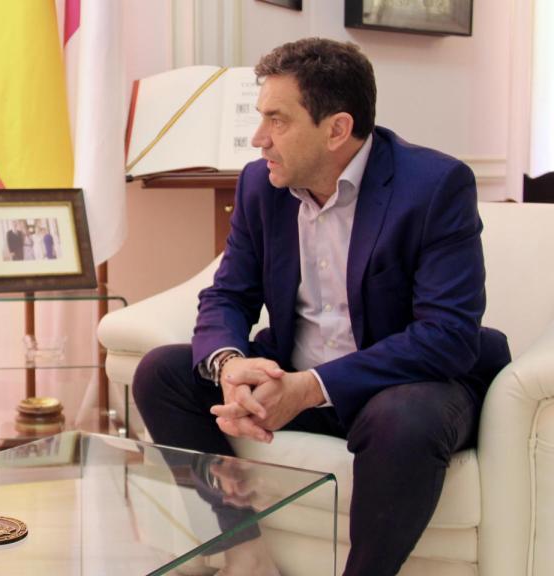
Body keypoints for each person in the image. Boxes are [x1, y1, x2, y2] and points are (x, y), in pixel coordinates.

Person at [132, 38, 510, 576]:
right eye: (260, 117)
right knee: (161, 372)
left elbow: (446, 336)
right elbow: (227, 294)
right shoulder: (262, 185)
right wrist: (231, 364)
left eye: (277, 121)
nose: (258, 138)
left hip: (397, 386)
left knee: (406, 417)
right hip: (293, 375)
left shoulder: (434, 186)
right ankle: (241, 551)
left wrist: (307, 387)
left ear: (336, 129)